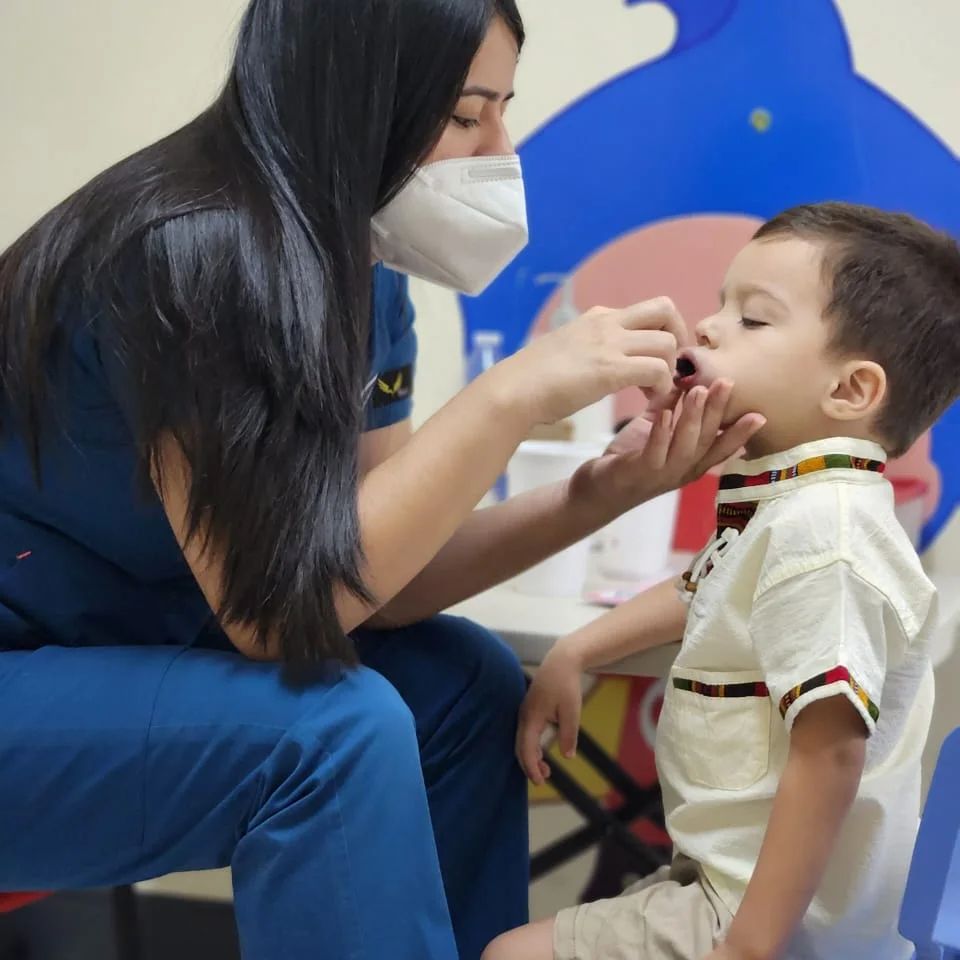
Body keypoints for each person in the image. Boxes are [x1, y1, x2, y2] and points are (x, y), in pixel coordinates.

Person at [0, 2, 763, 958]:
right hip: (25, 673)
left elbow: (378, 587)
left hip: (108, 650)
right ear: (349, 99)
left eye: (502, 110)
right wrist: (510, 397)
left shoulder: (365, 277)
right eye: (464, 116)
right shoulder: (184, 254)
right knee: (333, 729)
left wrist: (600, 494)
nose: (500, 151)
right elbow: (277, 616)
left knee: (464, 682)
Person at [487, 202, 960, 960]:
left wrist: (749, 947)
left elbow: (831, 752)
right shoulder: (795, 505)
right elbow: (703, 588)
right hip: (729, 886)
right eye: (721, 305)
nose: (707, 327)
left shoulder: (826, 536)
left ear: (850, 391)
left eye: (754, 320)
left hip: (773, 916)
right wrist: (578, 650)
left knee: (511, 955)